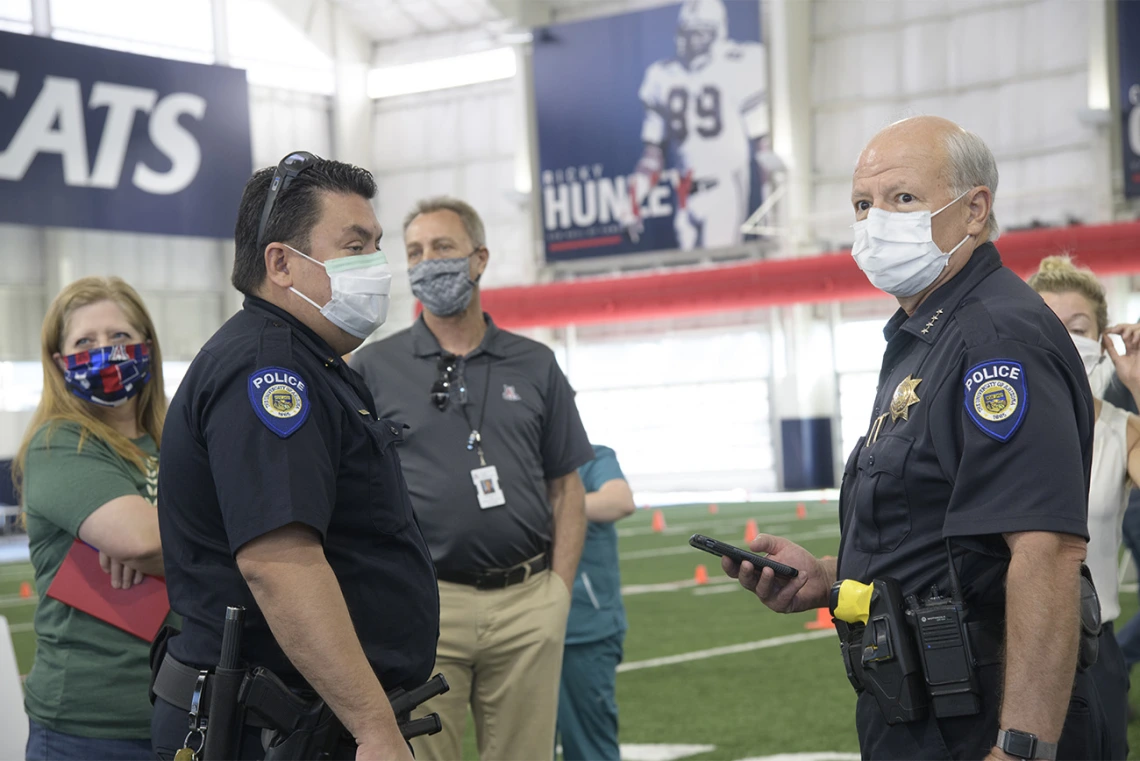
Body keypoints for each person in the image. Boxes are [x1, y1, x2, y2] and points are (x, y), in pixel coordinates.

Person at [722, 116, 1108, 759]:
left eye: (902, 199)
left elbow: (1046, 549)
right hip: (917, 708)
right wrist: (824, 573)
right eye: (862, 205)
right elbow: (938, 540)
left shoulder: (995, 341)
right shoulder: (926, 336)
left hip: (982, 719)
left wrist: (1020, 750)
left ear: (975, 209)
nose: (876, 221)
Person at [152, 152, 439, 761]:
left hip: (301, 722)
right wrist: (373, 726)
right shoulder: (271, 369)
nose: (376, 266)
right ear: (281, 262)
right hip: (272, 729)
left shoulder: (312, 360)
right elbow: (280, 566)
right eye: (354, 245)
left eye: (376, 246)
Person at [350, 196, 592, 761]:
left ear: (478, 259)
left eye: (442, 247)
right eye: (414, 251)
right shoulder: (373, 368)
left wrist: (556, 592)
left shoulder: (534, 363)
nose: (427, 261)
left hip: (528, 602)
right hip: (426, 605)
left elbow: (567, 487)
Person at [14, 276, 169, 761]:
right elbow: (141, 539)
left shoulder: (182, 441)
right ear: (61, 364)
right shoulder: (58, 442)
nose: (106, 352)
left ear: (146, 344)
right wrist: (172, 544)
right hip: (88, 731)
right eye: (85, 342)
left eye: (119, 338)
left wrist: (164, 548)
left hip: (187, 717)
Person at [1029, 255, 1140, 755]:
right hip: (1007, 652)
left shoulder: (1122, 429)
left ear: (1101, 341)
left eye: (1078, 327)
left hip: (1095, 655)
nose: (1063, 338)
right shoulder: (991, 425)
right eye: (1049, 324)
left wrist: (1138, 383)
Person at [630, 0, 768, 250]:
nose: (689, 41)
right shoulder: (661, 76)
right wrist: (632, 200)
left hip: (723, 190)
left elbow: (763, 146)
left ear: (716, 33)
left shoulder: (738, 64)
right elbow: (652, 155)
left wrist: (773, 204)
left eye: (698, 33)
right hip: (683, 195)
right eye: (685, 32)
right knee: (686, 276)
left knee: (716, 271)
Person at [556, 444, 635, 761]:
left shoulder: (592, 457)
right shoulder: (511, 460)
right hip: (519, 628)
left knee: (590, 749)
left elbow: (620, 500)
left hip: (583, 628)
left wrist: (545, 506)